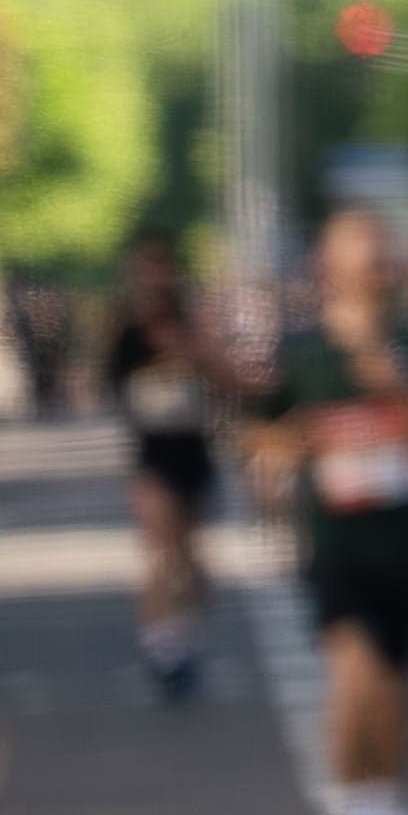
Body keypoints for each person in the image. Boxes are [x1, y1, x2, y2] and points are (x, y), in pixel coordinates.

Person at [247, 205, 408, 815]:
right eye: (354, 247)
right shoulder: (304, 351)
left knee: (393, 694)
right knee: (356, 681)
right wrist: (295, 442)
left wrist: (396, 386)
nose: (370, 260)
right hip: (338, 547)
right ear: (328, 263)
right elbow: (261, 437)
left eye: (379, 247)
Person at [106, 233, 223, 698]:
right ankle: (163, 648)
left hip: (192, 452)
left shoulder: (192, 323)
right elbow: (114, 387)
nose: (155, 279)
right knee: (160, 552)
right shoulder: (127, 333)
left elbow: (224, 376)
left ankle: (183, 634)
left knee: (190, 561)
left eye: (162, 268)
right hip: (152, 456)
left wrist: (192, 352)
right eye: (146, 270)